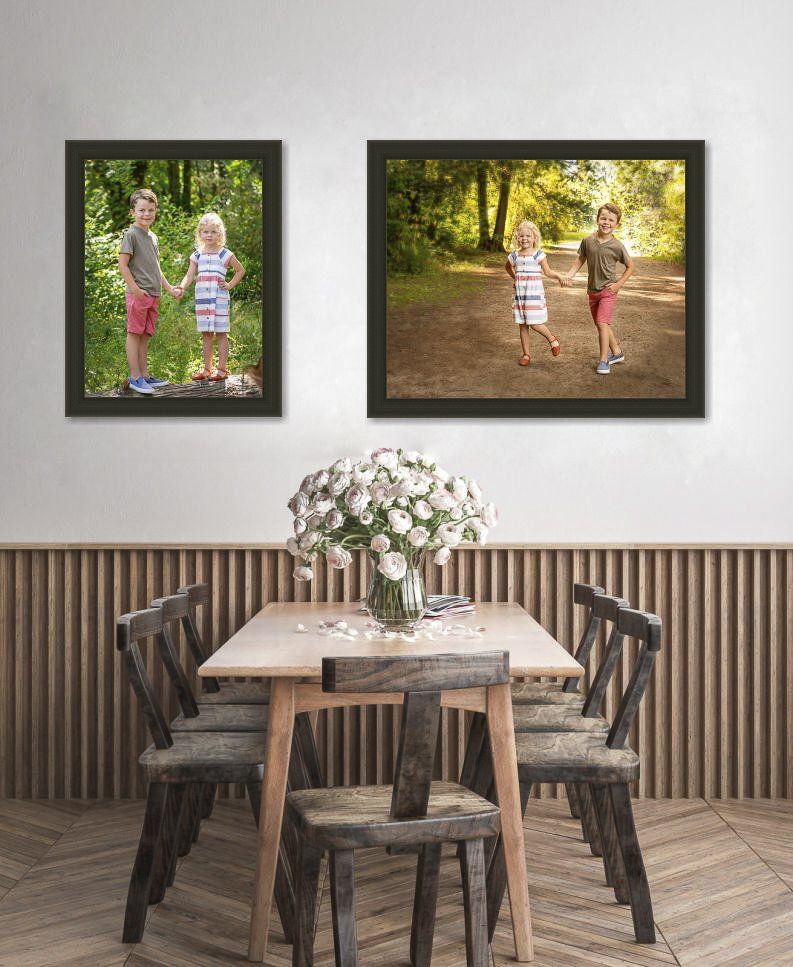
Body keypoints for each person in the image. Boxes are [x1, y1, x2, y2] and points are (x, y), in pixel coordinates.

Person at [117, 188, 181, 395]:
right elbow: (123, 265)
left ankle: (145, 375)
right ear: (132, 212)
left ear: (155, 211)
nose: (146, 214)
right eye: (142, 210)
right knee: (134, 333)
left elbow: (156, 268)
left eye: (151, 210)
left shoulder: (152, 236)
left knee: (145, 335)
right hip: (138, 294)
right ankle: (135, 377)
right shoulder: (131, 234)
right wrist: (135, 289)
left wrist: (169, 288)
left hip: (154, 294)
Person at [564, 203, 634, 374]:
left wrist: (618, 285)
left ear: (616, 224)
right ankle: (617, 352)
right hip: (592, 292)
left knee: (602, 323)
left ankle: (604, 361)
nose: (606, 222)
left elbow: (631, 267)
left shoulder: (617, 246)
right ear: (597, 220)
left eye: (611, 220)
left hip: (608, 292)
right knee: (600, 324)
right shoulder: (588, 241)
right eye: (603, 218)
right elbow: (580, 259)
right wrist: (569, 275)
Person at [176, 212, 245, 381]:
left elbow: (240, 270)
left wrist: (229, 285)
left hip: (219, 299)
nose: (209, 235)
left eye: (213, 232)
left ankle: (221, 370)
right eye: (205, 232)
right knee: (206, 334)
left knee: (221, 333)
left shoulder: (224, 253)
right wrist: (182, 287)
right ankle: (207, 369)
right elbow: (189, 275)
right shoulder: (197, 254)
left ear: (219, 234)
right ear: (200, 233)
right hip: (202, 300)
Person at [505, 220, 567, 366]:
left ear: (534, 238)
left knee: (534, 324)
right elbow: (507, 267)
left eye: (528, 236)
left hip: (534, 295)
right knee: (523, 325)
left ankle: (552, 339)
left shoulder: (539, 255)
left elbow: (548, 272)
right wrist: (515, 278)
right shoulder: (514, 256)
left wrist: (559, 276)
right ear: (517, 238)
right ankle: (526, 354)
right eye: (521, 236)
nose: (524, 238)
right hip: (521, 295)